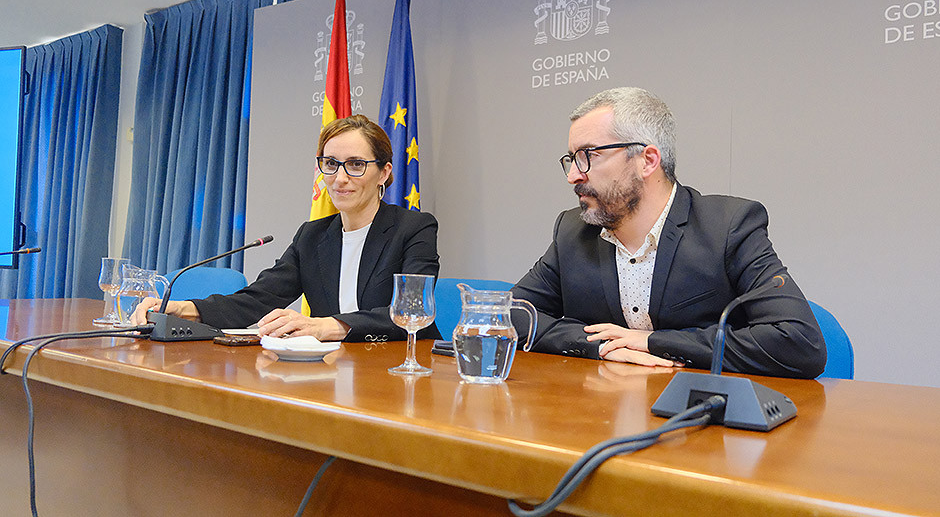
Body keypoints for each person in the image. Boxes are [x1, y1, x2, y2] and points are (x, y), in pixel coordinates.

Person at [512, 87, 826, 378]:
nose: (573, 176)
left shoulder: (728, 226)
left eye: (588, 156)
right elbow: (507, 316)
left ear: (647, 160)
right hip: (600, 417)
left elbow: (799, 341)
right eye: (570, 159)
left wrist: (653, 342)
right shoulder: (573, 231)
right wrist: (600, 345)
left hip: (700, 420)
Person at [130, 115, 440, 342]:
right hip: (335, 371)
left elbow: (410, 312)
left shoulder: (413, 228)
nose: (340, 178)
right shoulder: (313, 236)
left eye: (356, 165)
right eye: (331, 163)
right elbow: (257, 300)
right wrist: (180, 308)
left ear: (384, 172)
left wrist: (324, 326)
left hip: (403, 369)